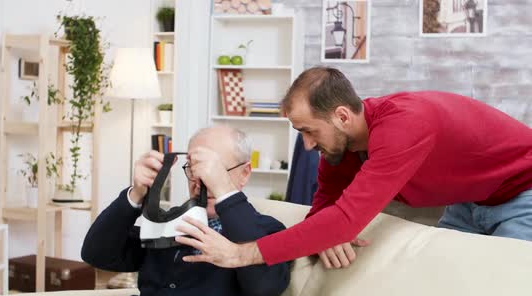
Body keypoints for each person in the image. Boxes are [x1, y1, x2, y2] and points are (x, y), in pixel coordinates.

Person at [174, 66, 532, 271]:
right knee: (445, 283)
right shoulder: (341, 149)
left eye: (309, 132)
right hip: (468, 200)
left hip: (523, 190)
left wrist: (241, 253)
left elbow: (346, 219)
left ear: (342, 116)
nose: (308, 146)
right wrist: (321, 239)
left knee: (505, 285)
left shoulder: (402, 127)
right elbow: (325, 208)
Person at [0, 126, 290, 296]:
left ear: (244, 174)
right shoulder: (171, 220)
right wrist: (135, 194)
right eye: (194, 168)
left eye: (213, 168)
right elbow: (97, 253)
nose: (199, 179)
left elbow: (264, 285)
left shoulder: (267, 232)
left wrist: (225, 194)